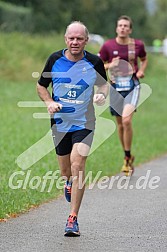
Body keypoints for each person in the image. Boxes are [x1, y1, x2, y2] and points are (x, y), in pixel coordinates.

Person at [37, 21, 108, 236]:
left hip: (84, 122)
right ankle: (67, 182)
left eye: (79, 38)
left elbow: (104, 84)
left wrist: (101, 94)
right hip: (60, 123)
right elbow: (41, 85)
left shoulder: (94, 62)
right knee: (66, 171)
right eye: (72, 38)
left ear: (86, 41)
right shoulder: (54, 59)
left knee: (78, 165)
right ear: (65, 39)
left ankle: (73, 218)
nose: (75, 42)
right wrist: (49, 102)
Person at [98, 15, 148, 175]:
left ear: (130, 29)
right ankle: (127, 154)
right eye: (120, 25)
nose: (123, 28)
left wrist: (141, 70)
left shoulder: (137, 45)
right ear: (116, 28)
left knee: (126, 121)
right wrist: (110, 65)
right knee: (120, 124)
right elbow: (98, 65)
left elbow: (144, 59)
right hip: (115, 87)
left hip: (132, 86)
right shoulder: (107, 46)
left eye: (126, 26)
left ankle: (126, 158)